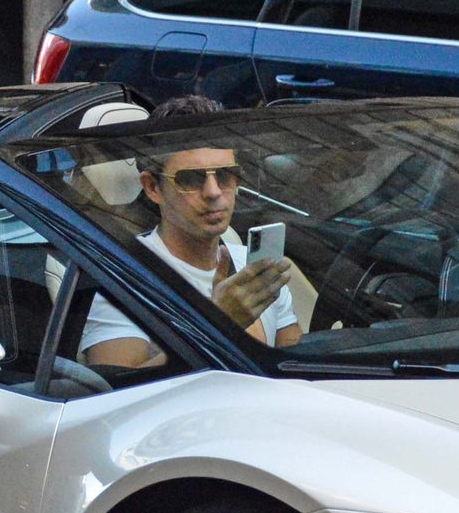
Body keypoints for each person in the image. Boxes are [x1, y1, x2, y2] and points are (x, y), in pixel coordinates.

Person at [81, 95, 302, 368]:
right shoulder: (123, 277)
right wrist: (216, 324)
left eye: (225, 175)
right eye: (191, 179)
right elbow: (119, 397)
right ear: (152, 187)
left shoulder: (254, 266)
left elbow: (296, 367)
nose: (213, 192)